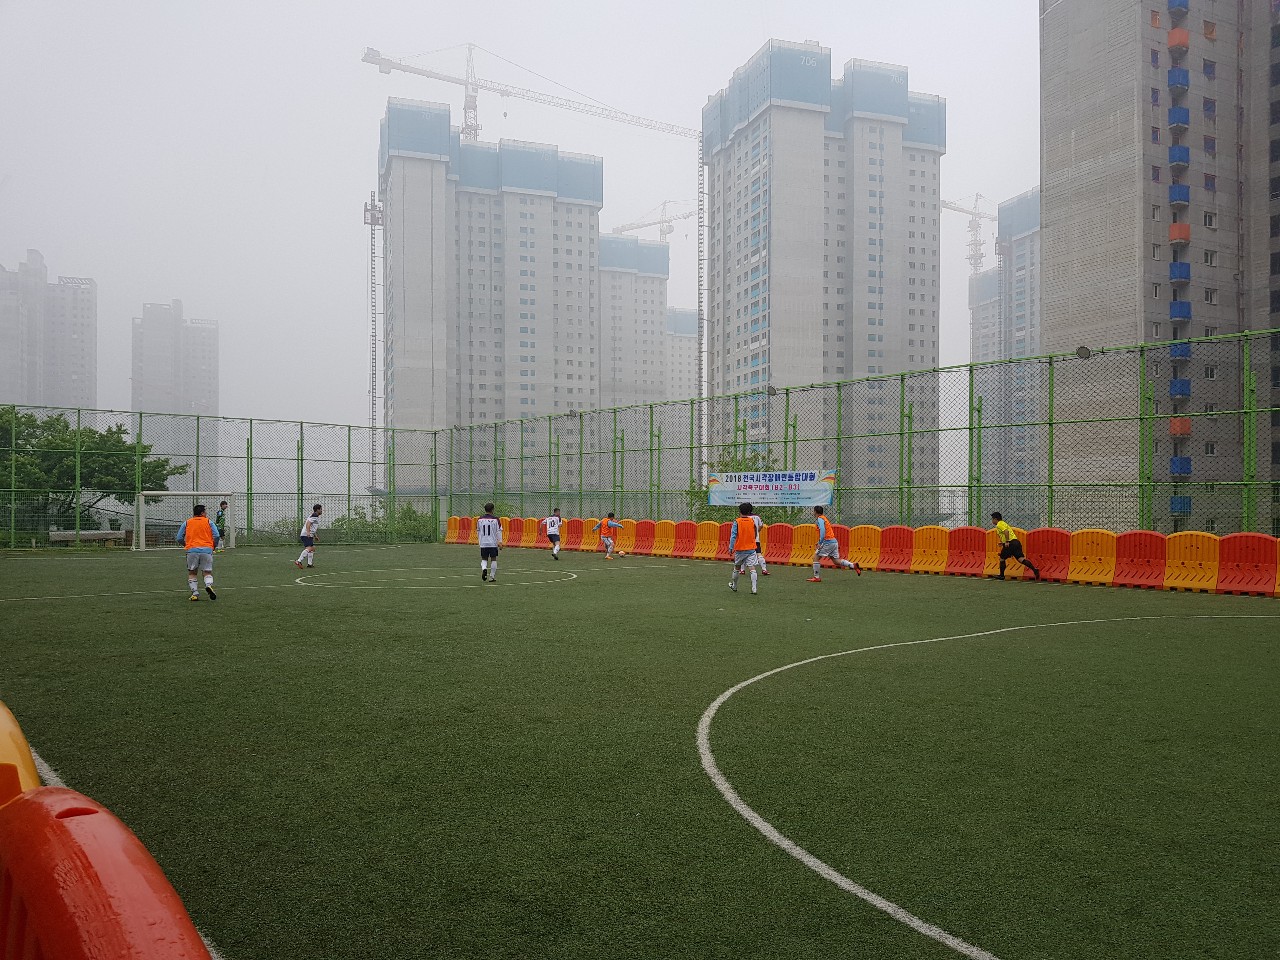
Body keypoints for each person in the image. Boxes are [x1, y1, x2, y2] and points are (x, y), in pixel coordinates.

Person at [176, 504, 221, 601]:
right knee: (207, 572)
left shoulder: (187, 523)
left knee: (192, 572)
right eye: (205, 512)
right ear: (202, 513)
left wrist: (186, 545)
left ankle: (195, 593)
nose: (206, 513)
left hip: (192, 550)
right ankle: (208, 585)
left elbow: (179, 537)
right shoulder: (209, 522)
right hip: (207, 550)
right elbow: (216, 535)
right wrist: (213, 546)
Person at [807, 505, 862, 582]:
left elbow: (823, 531)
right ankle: (853, 565)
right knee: (836, 561)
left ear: (815, 512)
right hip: (833, 542)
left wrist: (820, 542)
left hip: (827, 542)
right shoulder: (824, 518)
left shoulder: (819, 519)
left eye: (813, 511)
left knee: (815, 558)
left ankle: (816, 577)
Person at [992, 512, 1041, 581]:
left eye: (992, 519)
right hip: (1016, 542)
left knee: (1002, 559)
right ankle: (1035, 570)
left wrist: (1007, 542)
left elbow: (1006, 532)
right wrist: (1003, 543)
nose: (992, 521)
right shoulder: (1004, 523)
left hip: (1010, 543)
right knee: (1021, 559)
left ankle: (1002, 575)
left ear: (995, 519)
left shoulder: (999, 524)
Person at [728, 502, 762, 594]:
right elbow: (755, 533)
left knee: (737, 567)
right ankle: (754, 588)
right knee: (752, 568)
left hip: (740, 549)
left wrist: (731, 547)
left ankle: (734, 586)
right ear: (750, 512)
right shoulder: (752, 521)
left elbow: (733, 536)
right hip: (751, 548)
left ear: (740, 511)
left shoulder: (737, 521)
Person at [478, 504, 502, 582]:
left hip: (483, 542)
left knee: (484, 558)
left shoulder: (480, 519)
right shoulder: (496, 519)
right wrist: (500, 541)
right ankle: (491, 576)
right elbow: (498, 531)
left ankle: (484, 568)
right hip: (492, 543)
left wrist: (480, 542)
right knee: (493, 559)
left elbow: (478, 531)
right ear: (492, 510)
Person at [294, 504, 323, 569]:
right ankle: (299, 561)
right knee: (310, 548)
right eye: (321, 509)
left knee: (313, 548)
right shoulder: (314, 515)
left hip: (308, 534)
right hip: (306, 534)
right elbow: (308, 524)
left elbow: (312, 527)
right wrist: (308, 532)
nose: (321, 511)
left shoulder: (315, 516)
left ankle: (310, 564)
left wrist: (315, 536)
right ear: (317, 510)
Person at [750, 508, 770, 576]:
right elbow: (761, 525)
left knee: (743, 553)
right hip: (756, 539)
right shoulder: (757, 517)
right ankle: (764, 569)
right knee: (758, 553)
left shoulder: (742, 518)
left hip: (746, 540)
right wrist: (757, 532)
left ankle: (742, 570)